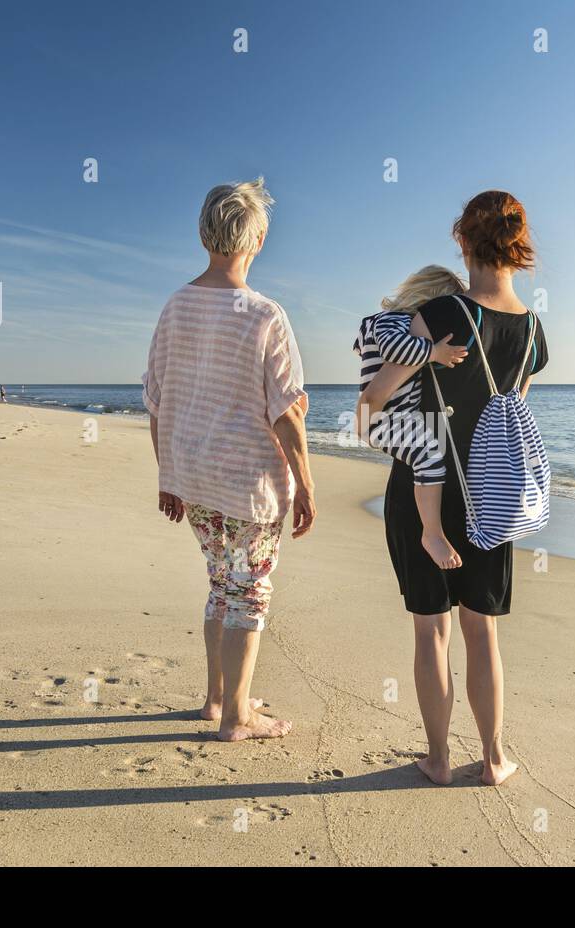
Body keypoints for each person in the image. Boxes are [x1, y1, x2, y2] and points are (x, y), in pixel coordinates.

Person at [358, 190, 549, 786]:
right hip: (493, 497)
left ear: (463, 241)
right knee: (481, 629)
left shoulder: (442, 315)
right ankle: (494, 759)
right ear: (517, 246)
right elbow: (510, 414)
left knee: (430, 628)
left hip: (423, 487)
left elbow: (373, 402)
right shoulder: (535, 331)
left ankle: (438, 759)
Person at [143, 177, 314, 742]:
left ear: (203, 234)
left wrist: (167, 472)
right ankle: (237, 717)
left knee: (222, 583)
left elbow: (157, 400)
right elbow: (287, 413)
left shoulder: (175, 307)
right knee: (248, 592)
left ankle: (219, 699)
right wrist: (307, 486)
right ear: (257, 241)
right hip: (247, 483)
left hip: (193, 477)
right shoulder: (265, 314)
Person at [353, 266, 468, 568]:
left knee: (429, 454)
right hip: (387, 418)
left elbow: (361, 346)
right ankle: (431, 534)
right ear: (430, 300)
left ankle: (432, 532)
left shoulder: (376, 322)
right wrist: (433, 353)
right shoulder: (396, 321)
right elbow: (393, 349)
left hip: (396, 416)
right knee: (429, 458)